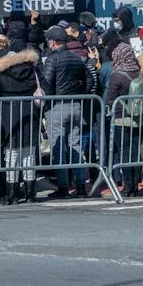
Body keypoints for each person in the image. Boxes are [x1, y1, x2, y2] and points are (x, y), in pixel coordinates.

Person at [40, 26, 93, 198]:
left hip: (57, 106)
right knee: (75, 145)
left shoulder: (51, 60)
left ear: (53, 42)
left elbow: (46, 84)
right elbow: (89, 80)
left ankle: (63, 187)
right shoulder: (77, 58)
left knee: (58, 147)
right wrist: (80, 93)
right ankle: (81, 186)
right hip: (76, 104)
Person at [0, 47, 42, 204]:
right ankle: (30, 193)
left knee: (11, 155)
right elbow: (47, 89)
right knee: (29, 154)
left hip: (8, 116)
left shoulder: (1, 74)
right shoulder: (33, 71)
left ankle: (12, 193)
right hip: (30, 115)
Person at [105, 41, 143, 197]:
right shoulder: (139, 73)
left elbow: (110, 98)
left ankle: (128, 187)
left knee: (125, 153)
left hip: (121, 118)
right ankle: (135, 185)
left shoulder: (117, 76)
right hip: (138, 117)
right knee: (135, 152)